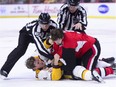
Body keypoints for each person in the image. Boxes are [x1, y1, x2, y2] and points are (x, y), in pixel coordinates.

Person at [0, 12, 57, 79]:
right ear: (39, 22)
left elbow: (60, 36)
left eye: (47, 24)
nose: (45, 26)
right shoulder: (36, 28)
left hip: (42, 36)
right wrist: (52, 57)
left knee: (50, 45)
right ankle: (4, 70)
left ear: (49, 22)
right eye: (42, 24)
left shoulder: (54, 25)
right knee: (20, 50)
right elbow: (40, 47)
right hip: (26, 35)